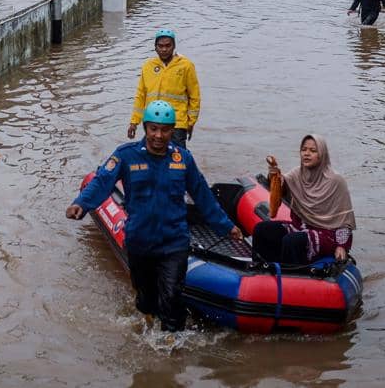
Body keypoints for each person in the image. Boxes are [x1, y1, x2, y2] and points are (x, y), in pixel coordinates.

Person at [67, 101, 242, 332]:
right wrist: (81, 203)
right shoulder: (125, 155)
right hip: (140, 241)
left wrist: (227, 226)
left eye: (165, 129)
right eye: (153, 129)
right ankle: (148, 322)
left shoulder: (183, 159)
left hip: (174, 242)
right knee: (146, 300)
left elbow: (203, 196)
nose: (159, 135)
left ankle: (171, 346)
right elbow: (102, 182)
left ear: (172, 130)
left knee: (171, 297)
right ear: (145, 128)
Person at [252, 134, 356, 266]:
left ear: (322, 155)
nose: (306, 154)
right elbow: (281, 190)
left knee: (292, 241)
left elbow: (344, 220)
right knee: (262, 229)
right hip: (299, 227)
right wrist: (275, 178)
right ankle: (262, 270)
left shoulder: (336, 181)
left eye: (313, 151)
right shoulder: (297, 174)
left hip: (327, 234)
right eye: (304, 150)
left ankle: (291, 275)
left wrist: (342, 246)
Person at [129, 28, 201, 148]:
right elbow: (140, 96)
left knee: (177, 158)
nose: (164, 49)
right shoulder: (148, 67)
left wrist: (191, 122)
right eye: (160, 46)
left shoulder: (186, 66)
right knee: (150, 156)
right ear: (155, 47)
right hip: (152, 120)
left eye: (168, 45)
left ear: (174, 46)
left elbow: (194, 96)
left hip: (176, 123)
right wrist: (134, 122)